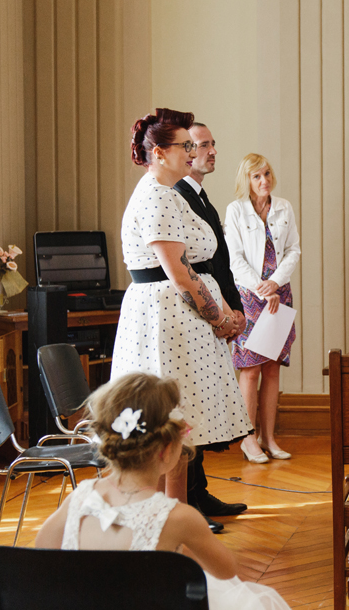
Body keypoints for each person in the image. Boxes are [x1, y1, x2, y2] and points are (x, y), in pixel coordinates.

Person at [34, 372, 292, 610]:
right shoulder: (179, 517)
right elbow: (226, 570)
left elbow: (42, 549)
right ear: (167, 449)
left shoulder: (79, 498)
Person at [113, 108, 253, 504]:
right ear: (158, 152)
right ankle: (165, 525)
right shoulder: (156, 196)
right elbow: (179, 274)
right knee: (172, 426)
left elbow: (197, 268)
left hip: (183, 320)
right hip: (166, 320)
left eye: (195, 145)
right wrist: (221, 318)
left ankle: (176, 519)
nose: (192, 151)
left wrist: (223, 314)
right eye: (185, 146)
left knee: (182, 429)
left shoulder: (170, 195)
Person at [174, 122, 249, 532]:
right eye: (202, 145)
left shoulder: (200, 196)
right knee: (190, 406)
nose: (211, 151)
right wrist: (220, 313)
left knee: (201, 404)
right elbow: (192, 267)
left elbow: (219, 264)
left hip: (215, 306)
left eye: (212, 144)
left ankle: (199, 492)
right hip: (194, 314)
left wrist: (235, 309)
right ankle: (189, 501)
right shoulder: (177, 196)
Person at [225, 154, 301, 463]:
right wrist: (261, 287)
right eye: (256, 176)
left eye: (267, 173)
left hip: (279, 296)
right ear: (247, 180)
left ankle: (269, 437)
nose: (264, 181)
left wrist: (276, 284)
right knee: (251, 370)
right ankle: (248, 438)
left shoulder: (283, 207)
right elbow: (235, 258)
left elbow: (293, 250)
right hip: (249, 298)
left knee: (272, 369)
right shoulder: (236, 211)